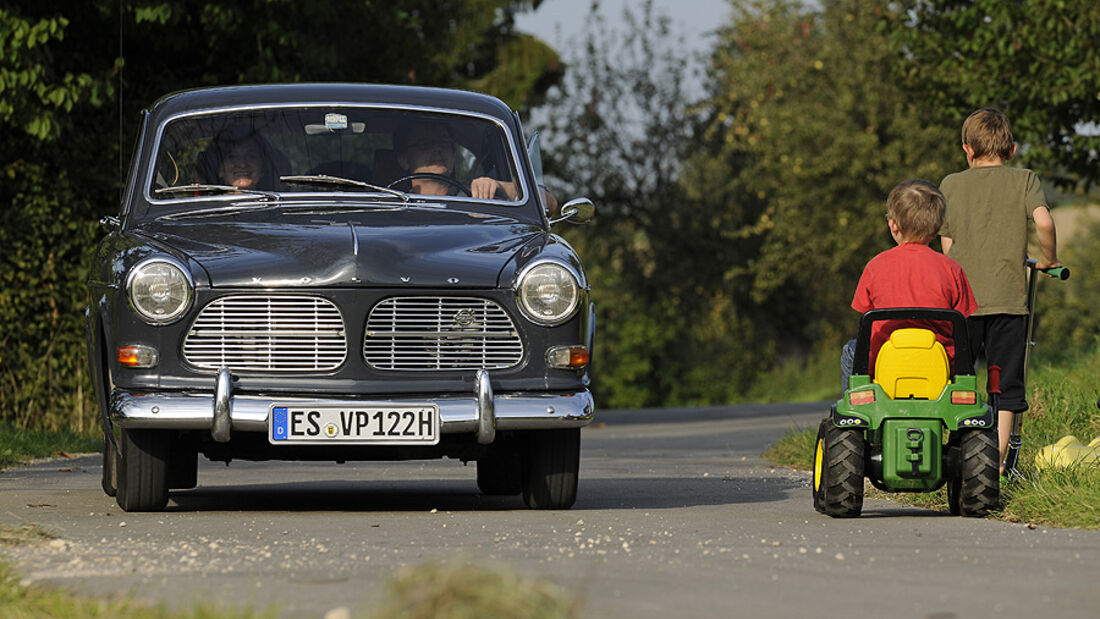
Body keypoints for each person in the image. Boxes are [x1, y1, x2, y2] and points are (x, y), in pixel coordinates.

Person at [939, 107, 1061, 473]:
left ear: (967, 149)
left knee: (959, 378)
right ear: (1012, 149)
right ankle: (995, 463)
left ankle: (954, 454)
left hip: (961, 305)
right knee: (1005, 384)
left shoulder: (950, 184)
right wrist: (1048, 259)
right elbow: (1043, 220)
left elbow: (946, 240)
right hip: (1008, 300)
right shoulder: (1024, 179)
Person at [841, 180, 978, 390]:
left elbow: (864, 316)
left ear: (893, 225)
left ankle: (855, 410)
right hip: (938, 364)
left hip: (884, 362)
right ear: (938, 226)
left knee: (851, 350)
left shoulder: (875, 266)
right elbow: (963, 322)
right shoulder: (952, 269)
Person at [393, 120, 560, 214]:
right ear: (404, 159)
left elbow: (549, 203)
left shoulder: (477, 197)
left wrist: (500, 187)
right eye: (424, 143)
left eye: (443, 142)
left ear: (453, 152)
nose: (437, 149)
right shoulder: (385, 201)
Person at [197, 126, 280, 191]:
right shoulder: (209, 209)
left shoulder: (279, 206)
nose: (242, 164)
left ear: (262, 167)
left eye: (251, 156)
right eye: (232, 156)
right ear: (220, 169)